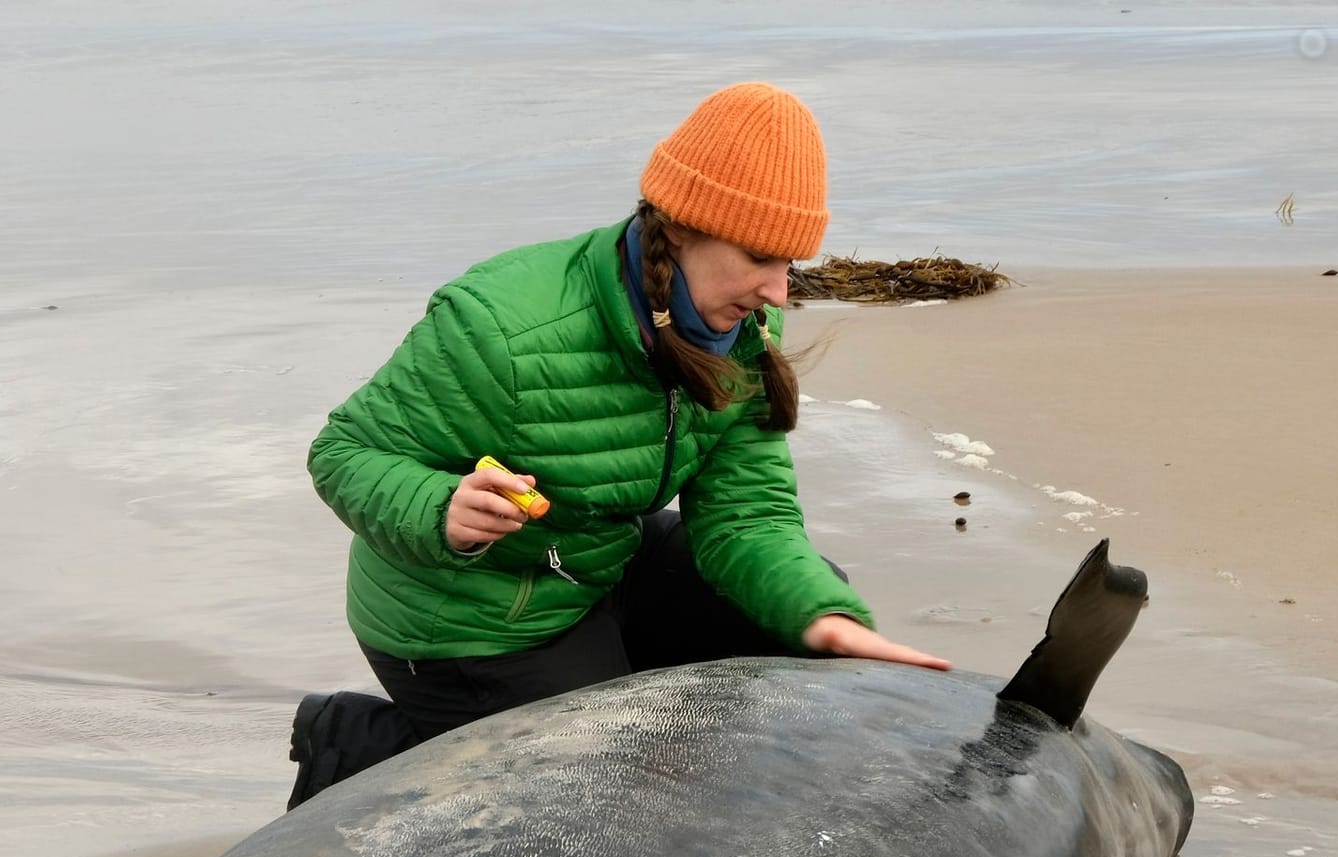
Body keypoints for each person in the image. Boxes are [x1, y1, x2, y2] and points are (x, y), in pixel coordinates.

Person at [287, 82, 950, 810]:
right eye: (761, 257)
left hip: (597, 565)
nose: (778, 292)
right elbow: (344, 452)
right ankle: (366, 747)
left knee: (790, 621)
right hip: (469, 619)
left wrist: (821, 617)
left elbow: (746, 518)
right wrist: (440, 507)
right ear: (684, 227)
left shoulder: (742, 331)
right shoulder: (503, 328)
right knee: (604, 797)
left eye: (789, 263)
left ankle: (612, 703)